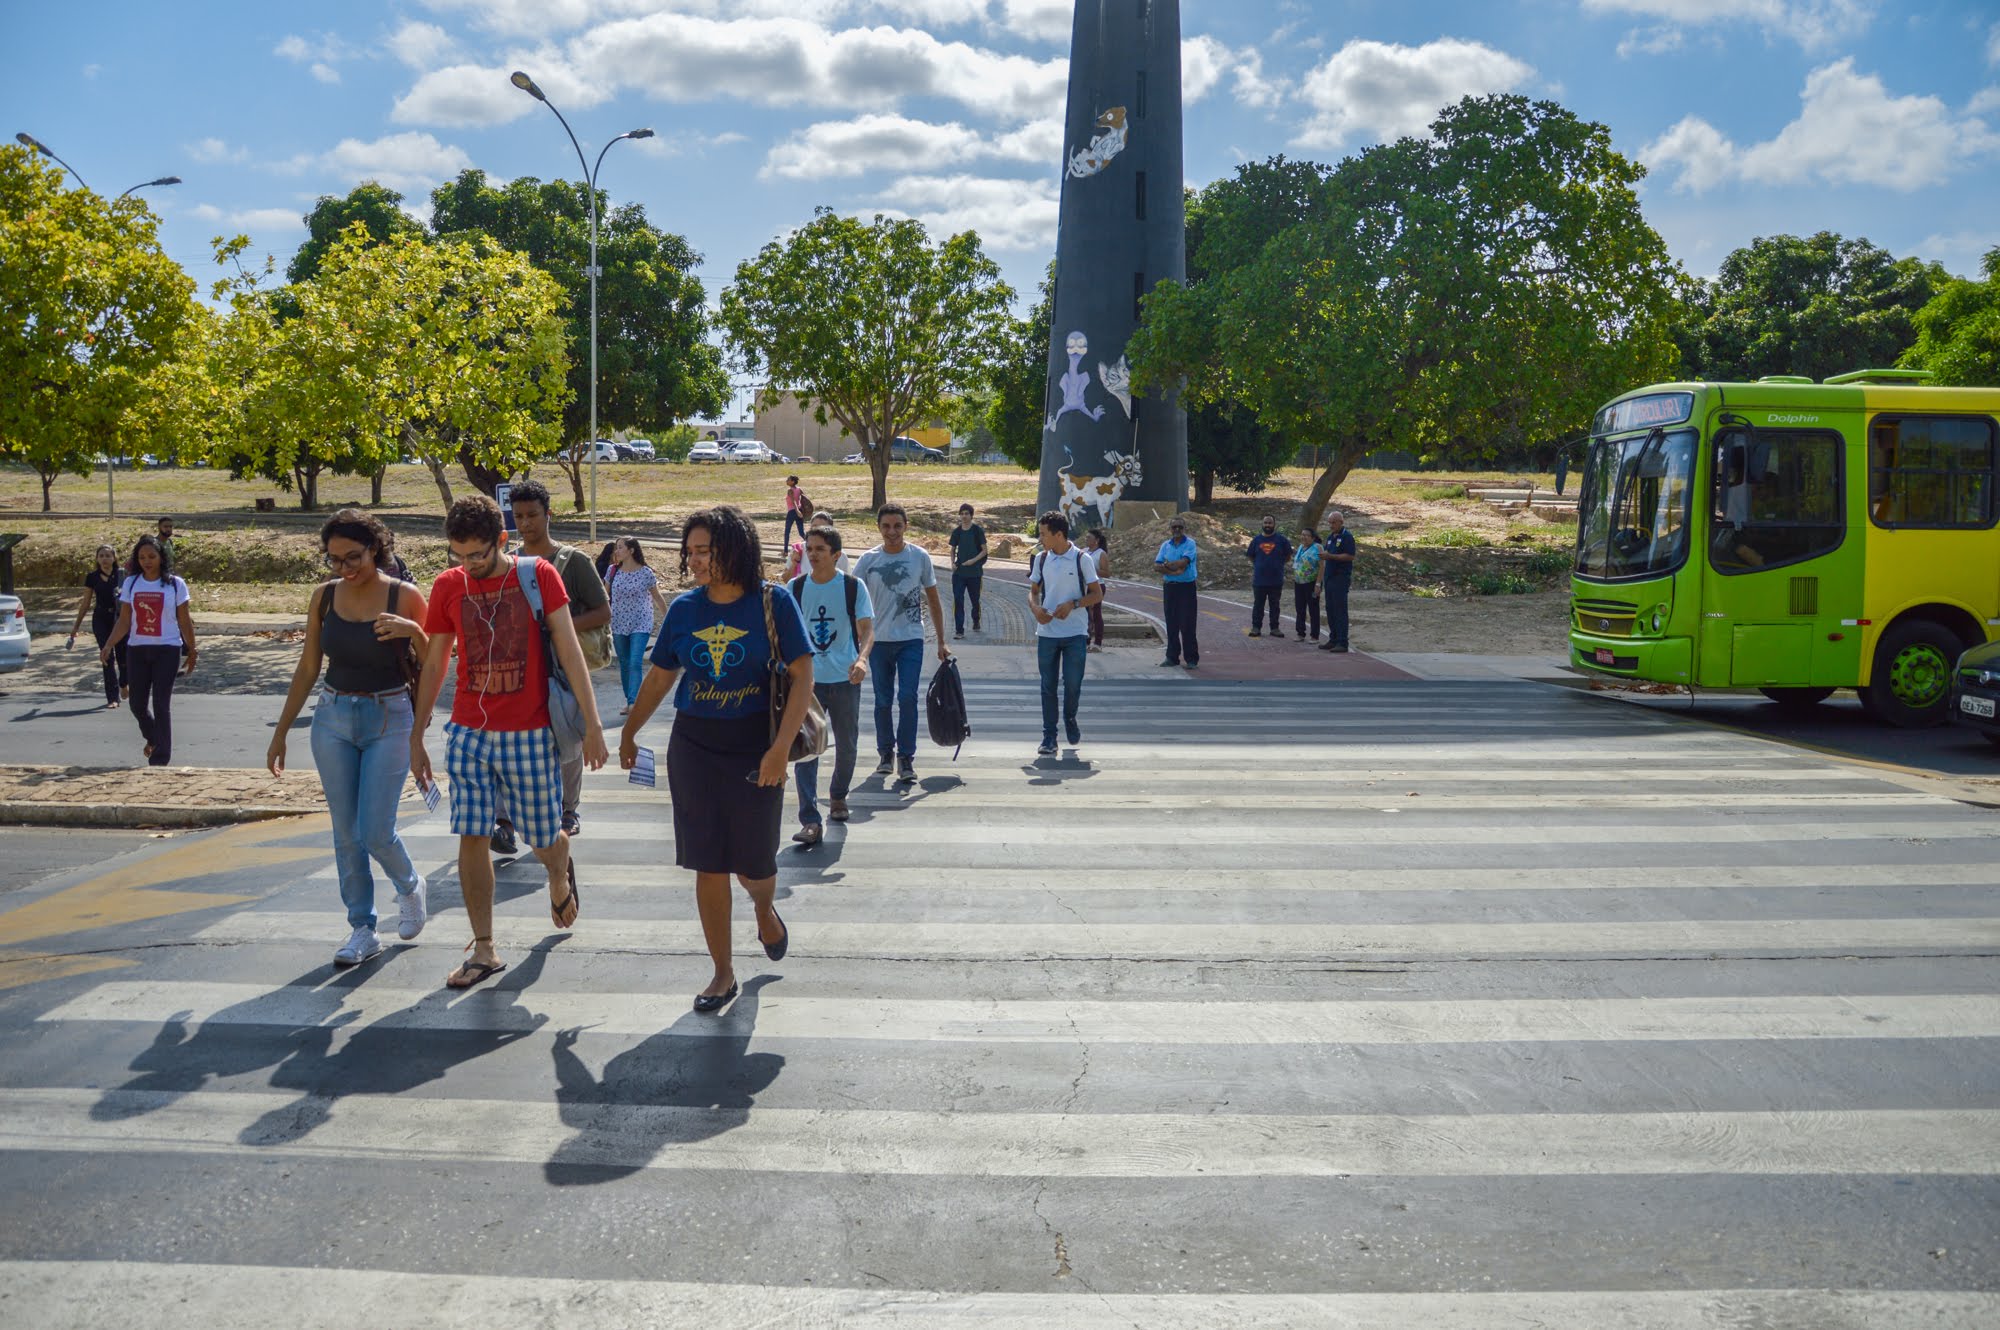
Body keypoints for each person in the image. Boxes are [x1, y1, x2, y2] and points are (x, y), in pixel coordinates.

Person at [411, 494, 608, 990]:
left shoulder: (537, 575)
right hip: (468, 733)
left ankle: (558, 871)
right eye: (458, 555)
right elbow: (435, 663)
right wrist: (416, 735)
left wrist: (593, 725)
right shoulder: (448, 585)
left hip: (530, 733)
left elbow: (570, 650)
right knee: (471, 834)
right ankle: (484, 949)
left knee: (542, 838)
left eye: (477, 554)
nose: (468, 565)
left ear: (501, 540)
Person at [619, 505, 811, 1012]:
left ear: (734, 549)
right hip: (695, 747)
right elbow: (660, 677)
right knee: (708, 863)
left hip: (755, 746)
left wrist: (779, 751)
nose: (695, 560)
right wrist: (630, 732)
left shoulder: (773, 602)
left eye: (705, 551)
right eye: (691, 552)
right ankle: (722, 973)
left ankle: (764, 911)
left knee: (754, 866)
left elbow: (802, 677)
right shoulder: (685, 610)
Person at [267, 508, 431, 966]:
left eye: (353, 557)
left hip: (390, 716)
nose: (344, 568)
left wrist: (413, 631)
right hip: (333, 718)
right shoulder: (323, 597)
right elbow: (307, 667)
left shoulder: (404, 595)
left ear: (375, 548)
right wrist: (281, 731)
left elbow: (438, 658)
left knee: (375, 831)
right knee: (345, 833)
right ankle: (363, 927)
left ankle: (410, 885)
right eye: (334, 559)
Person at [496, 479, 610, 843]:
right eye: (518, 516)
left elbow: (603, 612)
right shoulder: (509, 562)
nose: (525, 523)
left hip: (562, 669)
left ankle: (568, 810)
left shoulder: (573, 562)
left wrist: (558, 626)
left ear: (549, 515)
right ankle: (504, 821)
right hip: (518, 669)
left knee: (567, 741)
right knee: (507, 744)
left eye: (532, 515)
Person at [854, 503, 951, 785]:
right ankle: (886, 753)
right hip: (878, 642)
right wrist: (855, 640)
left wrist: (941, 641)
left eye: (897, 525)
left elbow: (933, 599)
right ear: (878, 528)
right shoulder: (867, 560)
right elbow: (852, 600)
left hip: (911, 639)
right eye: (886, 526)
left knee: (908, 697)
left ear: (906, 526)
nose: (892, 531)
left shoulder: (919, 557)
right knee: (883, 699)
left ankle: (906, 757)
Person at [790, 525, 873, 844]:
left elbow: (867, 629)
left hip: (845, 679)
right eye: (809, 549)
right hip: (808, 684)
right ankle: (810, 819)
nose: (813, 555)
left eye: (820, 549)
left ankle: (838, 795)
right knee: (806, 748)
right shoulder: (796, 588)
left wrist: (862, 660)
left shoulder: (852, 587)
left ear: (836, 555)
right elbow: (785, 632)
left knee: (847, 745)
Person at [99, 534, 195, 765]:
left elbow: (184, 620)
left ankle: (160, 760)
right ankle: (153, 738)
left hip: (167, 649)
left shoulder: (175, 584)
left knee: (161, 704)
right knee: (137, 704)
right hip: (137, 649)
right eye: (142, 557)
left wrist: (192, 650)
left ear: (161, 557)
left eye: (151, 556)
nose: (147, 561)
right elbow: (124, 620)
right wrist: (109, 644)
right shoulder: (132, 583)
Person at [1028, 511, 1103, 755]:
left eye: (1043, 534)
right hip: (1047, 632)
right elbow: (1033, 591)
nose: (1040, 539)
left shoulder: (1082, 559)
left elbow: (1097, 594)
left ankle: (1070, 717)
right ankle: (1049, 736)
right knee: (1047, 686)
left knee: (1072, 684)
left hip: (1075, 634)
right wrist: (1036, 609)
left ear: (1058, 535)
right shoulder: (1041, 559)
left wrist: (1074, 604)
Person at [606, 537, 668, 716]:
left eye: (620, 547)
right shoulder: (612, 571)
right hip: (618, 622)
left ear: (631, 550)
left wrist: (669, 619)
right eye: (616, 548)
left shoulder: (646, 573)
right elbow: (604, 595)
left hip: (641, 622)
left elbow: (657, 597)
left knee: (634, 662)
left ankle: (634, 703)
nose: (616, 551)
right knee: (624, 663)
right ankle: (630, 700)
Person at [67, 544, 128, 709]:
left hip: (119, 618)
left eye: (108, 555)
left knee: (123, 654)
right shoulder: (92, 577)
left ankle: (124, 683)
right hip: (101, 619)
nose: (104, 559)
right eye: (101, 556)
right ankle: (112, 697)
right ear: (97, 559)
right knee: (106, 656)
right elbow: (85, 603)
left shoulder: (122, 575)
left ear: (114, 558)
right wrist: (76, 627)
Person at [1154, 517, 1200, 670]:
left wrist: (1167, 565)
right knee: (1171, 623)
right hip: (1170, 588)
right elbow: (1156, 565)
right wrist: (1173, 571)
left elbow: (1184, 562)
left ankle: (1191, 658)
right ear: (1170, 529)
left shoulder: (1190, 544)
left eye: (1180, 526)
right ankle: (1172, 657)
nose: (1177, 529)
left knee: (1187, 624)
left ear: (1184, 528)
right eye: (1174, 527)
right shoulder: (1165, 545)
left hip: (1186, 588)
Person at [1245, 515, 1292, 638]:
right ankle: (1256, 628)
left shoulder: (1282, 540)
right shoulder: (1256, 540)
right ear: (1262, 524)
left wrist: (1277, 565)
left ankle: (1275, 628)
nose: (1267, 525)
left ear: (1274, 524)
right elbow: (1250, 556)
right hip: (1259, 580)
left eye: (1270, 523)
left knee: (1275, 606)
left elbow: (1288, 556)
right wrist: (1259, 564)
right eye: (1265, 523)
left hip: (1276, 580)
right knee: (1258, 605)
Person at [1319, 510, 1358, 653]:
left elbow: (1350, 556)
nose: (1331, 525)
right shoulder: (1330, 537)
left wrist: (1331, 556)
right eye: (1329, 522)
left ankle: (1342, 642)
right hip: (1329, 578)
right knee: (1330, 609)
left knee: (1340, 610)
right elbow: (1327, 554)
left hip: (1340, 578)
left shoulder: (1347, 537)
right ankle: (1333, 639)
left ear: (1341, 522)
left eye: (1334, 522)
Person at [947, 502, 987, 637]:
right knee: (958, 600)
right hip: (959, 573)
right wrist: (952, 563)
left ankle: (976, 620)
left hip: (975, 573)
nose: (964, 516)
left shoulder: (977, 531)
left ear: (971, 515)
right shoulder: (957, 532)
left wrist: (972, 561)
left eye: (967, 514)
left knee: (975, 600)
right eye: (962, 514)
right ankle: (959, 630)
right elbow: (952, 549)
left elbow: (984, 551)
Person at [1291, 528, 1323, 642]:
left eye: (1306, 535)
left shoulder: (1317, 547)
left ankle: (1315, 635)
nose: (1303, 537)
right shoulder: (1301, 547)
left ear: (1313, 537)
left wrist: (1318, 584)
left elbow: (1322, 566)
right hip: (1299, 582)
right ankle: (1300, 633)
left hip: (1312, 582)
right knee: (1300, 608)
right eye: (1302, 534)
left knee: (1313, 609)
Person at [1082, 528, 1109, 652]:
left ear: (1096, 540)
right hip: (1085, 586)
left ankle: (1098, 643)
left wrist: (1091, 569)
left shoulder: (1101, 553)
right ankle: (1086, 641)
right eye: (1086, 537)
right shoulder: (1083, 551)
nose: (1086, 539)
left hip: (1098, 585)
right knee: (1085, 613)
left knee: (1096, 613)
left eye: (1089, 537)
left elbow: (1107, 573)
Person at [782, 474, 807, 550]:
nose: (786, 481)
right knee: (801, 532)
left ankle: (785, 550)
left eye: (788, 480)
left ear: (792, 482)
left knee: (787, 531)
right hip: (799, 511)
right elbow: (805, 499)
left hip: (792, 512)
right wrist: (801, 511)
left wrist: (797, 511)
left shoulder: (790, 491)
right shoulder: (799, 489)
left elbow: (794, 502)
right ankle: (810, 544)